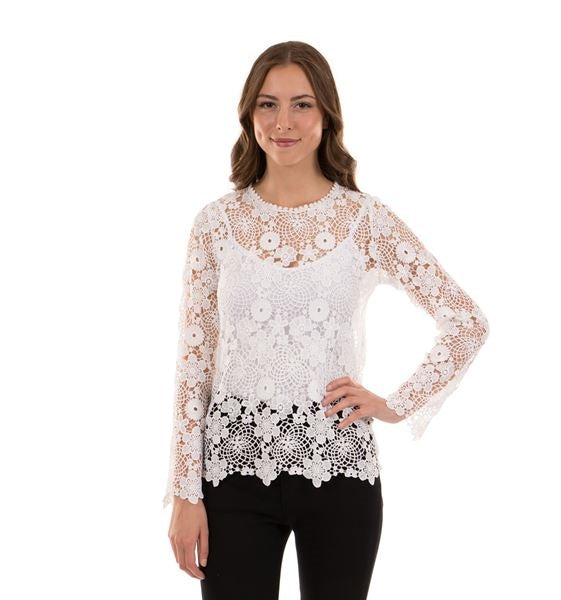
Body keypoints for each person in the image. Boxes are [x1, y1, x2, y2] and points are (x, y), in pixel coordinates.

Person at [163, 41, 489, 600]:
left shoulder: (365, 220)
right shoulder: (216, 224)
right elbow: (194, 364)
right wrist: (184, 494)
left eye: (302, 104)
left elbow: (466, 321)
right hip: (231, 474)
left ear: (327, 115)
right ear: (249, 113)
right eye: (268, 104)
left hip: (338, 466)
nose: (283, 122)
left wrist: (395, 403)